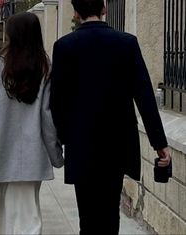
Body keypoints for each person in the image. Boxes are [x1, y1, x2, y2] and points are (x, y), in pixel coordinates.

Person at [49, 0, 171, 234]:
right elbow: (144, 95)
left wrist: (65, 136)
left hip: (81, 143)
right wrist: (159, 143)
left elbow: (57, 101)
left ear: (75, 13)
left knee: (87, 215)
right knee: (109, 212)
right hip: (117, 144)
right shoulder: (126, 43)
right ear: (104, 8)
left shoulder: (64, 46)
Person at [0, 12, 64, 235]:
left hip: (0, 153)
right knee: (29, 218)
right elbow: (47, 117)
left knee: (1, 219)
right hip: (32, 157)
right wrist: (56, 154)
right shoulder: (45, 67)